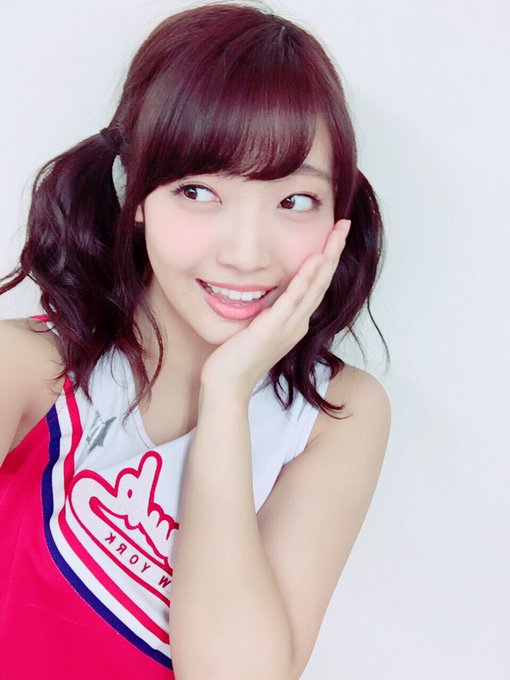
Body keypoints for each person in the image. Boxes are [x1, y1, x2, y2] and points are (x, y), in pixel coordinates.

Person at [0, 2, 391, 678]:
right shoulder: (28, 367)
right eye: (198, 192)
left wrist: (227, 393)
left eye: (294, 201)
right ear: (136, 192)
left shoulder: (333, 418)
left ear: (338, 215)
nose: (245, 254)